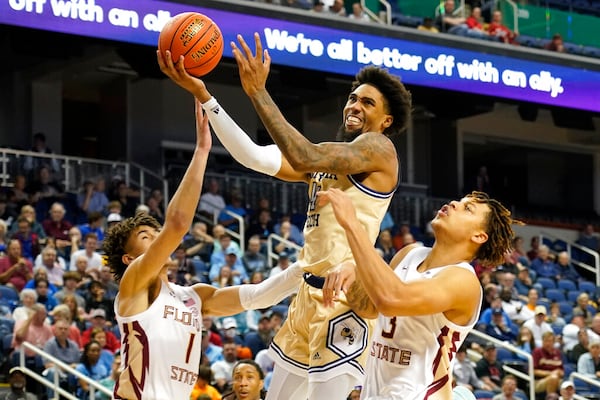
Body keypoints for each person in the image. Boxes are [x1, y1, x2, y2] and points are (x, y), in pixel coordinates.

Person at [159, 32, 410, 400]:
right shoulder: (329, 156)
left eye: (368, 103)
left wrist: (258, 92)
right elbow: (255, 157)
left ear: (386, 120)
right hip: (304, 297)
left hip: (342, 300)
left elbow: (305, 156)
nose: (355, 106)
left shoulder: (379, 149)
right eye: (353, 98)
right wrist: (205, 96)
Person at [104, 100, 303, 399]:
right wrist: (201, 151)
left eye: (156, 233)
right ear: (130, 258)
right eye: (147, 237)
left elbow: (261, 296)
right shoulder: (133, 285)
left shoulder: (194, 297)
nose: (158, 239)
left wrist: (310, 266)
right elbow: (178, 223)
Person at [319, 188, 516, 398]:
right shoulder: (410, 253)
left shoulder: (463, 280)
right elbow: (370, 307)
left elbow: (391, 299)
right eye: (459, 200)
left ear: (478, 236)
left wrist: (352, 223)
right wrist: (354, 271)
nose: (454, 204)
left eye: (467, 209)